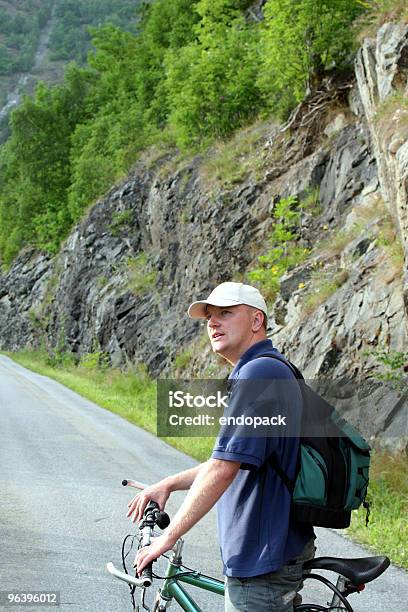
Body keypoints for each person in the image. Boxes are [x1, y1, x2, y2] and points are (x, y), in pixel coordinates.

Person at [127, 282, 315, 611]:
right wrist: (170, 483)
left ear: (257, 321)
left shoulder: (259, 373)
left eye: (225, 313)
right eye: (209, 317)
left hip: (263, 558)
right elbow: (232, 458)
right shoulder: (264, 369)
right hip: (269, 548)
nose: (213, 322)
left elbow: (223, 469)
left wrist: (167, 539)